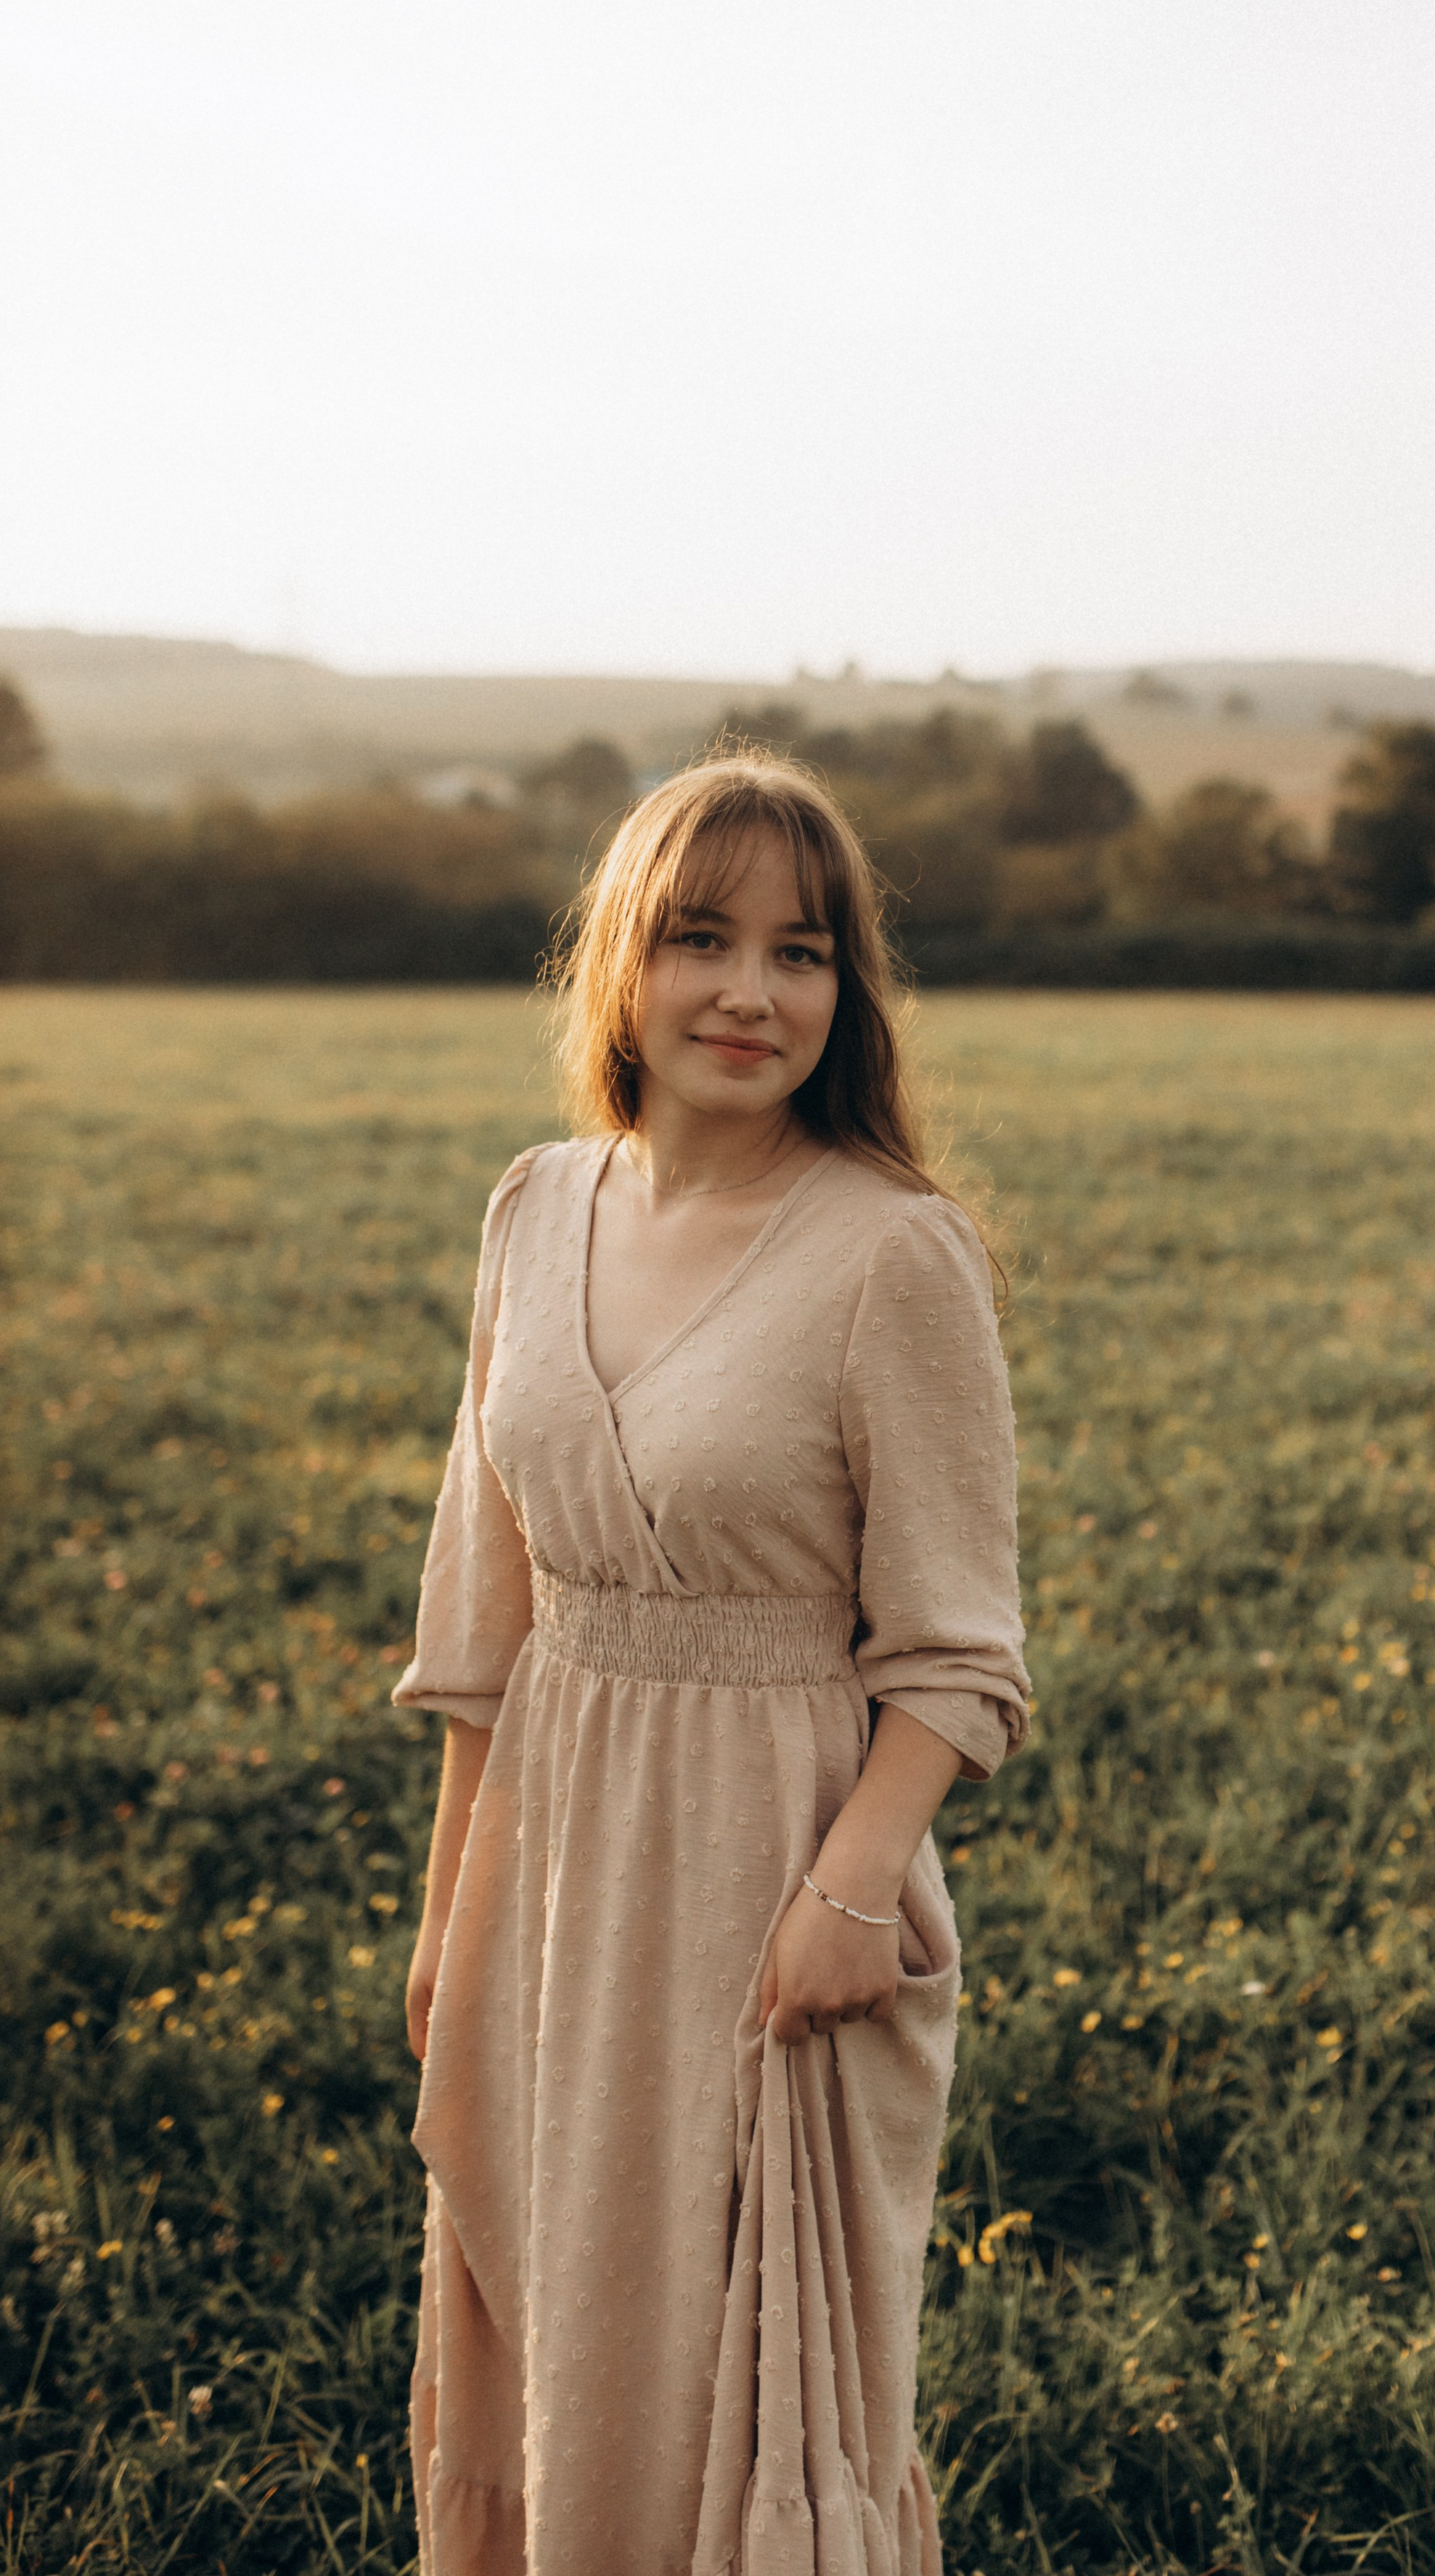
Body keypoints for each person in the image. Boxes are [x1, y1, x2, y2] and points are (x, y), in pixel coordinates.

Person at [393, 753, 1031, 2575]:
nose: (751, 992)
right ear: (619, 962)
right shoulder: (535, 1208)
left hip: (775, 1877)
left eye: (802, 951)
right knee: (557, 2318)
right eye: (700, 939)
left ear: (846, 995)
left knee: (728, 2360)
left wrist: (846, 1893)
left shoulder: (895, 1255)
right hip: (548, 1858)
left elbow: (958, 1656)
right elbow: (480, 1614)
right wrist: (449, 1915)